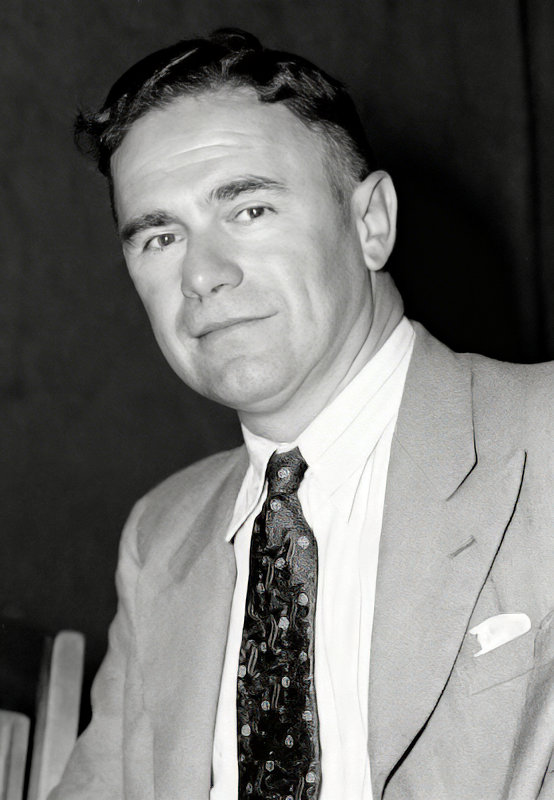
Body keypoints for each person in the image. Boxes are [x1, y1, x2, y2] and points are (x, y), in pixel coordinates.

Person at [51, 28, 553, 800]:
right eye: (160, 236)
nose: (202, 275)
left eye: (249, 209)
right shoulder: (161, 535)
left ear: (371, 222)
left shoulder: (541, 440)